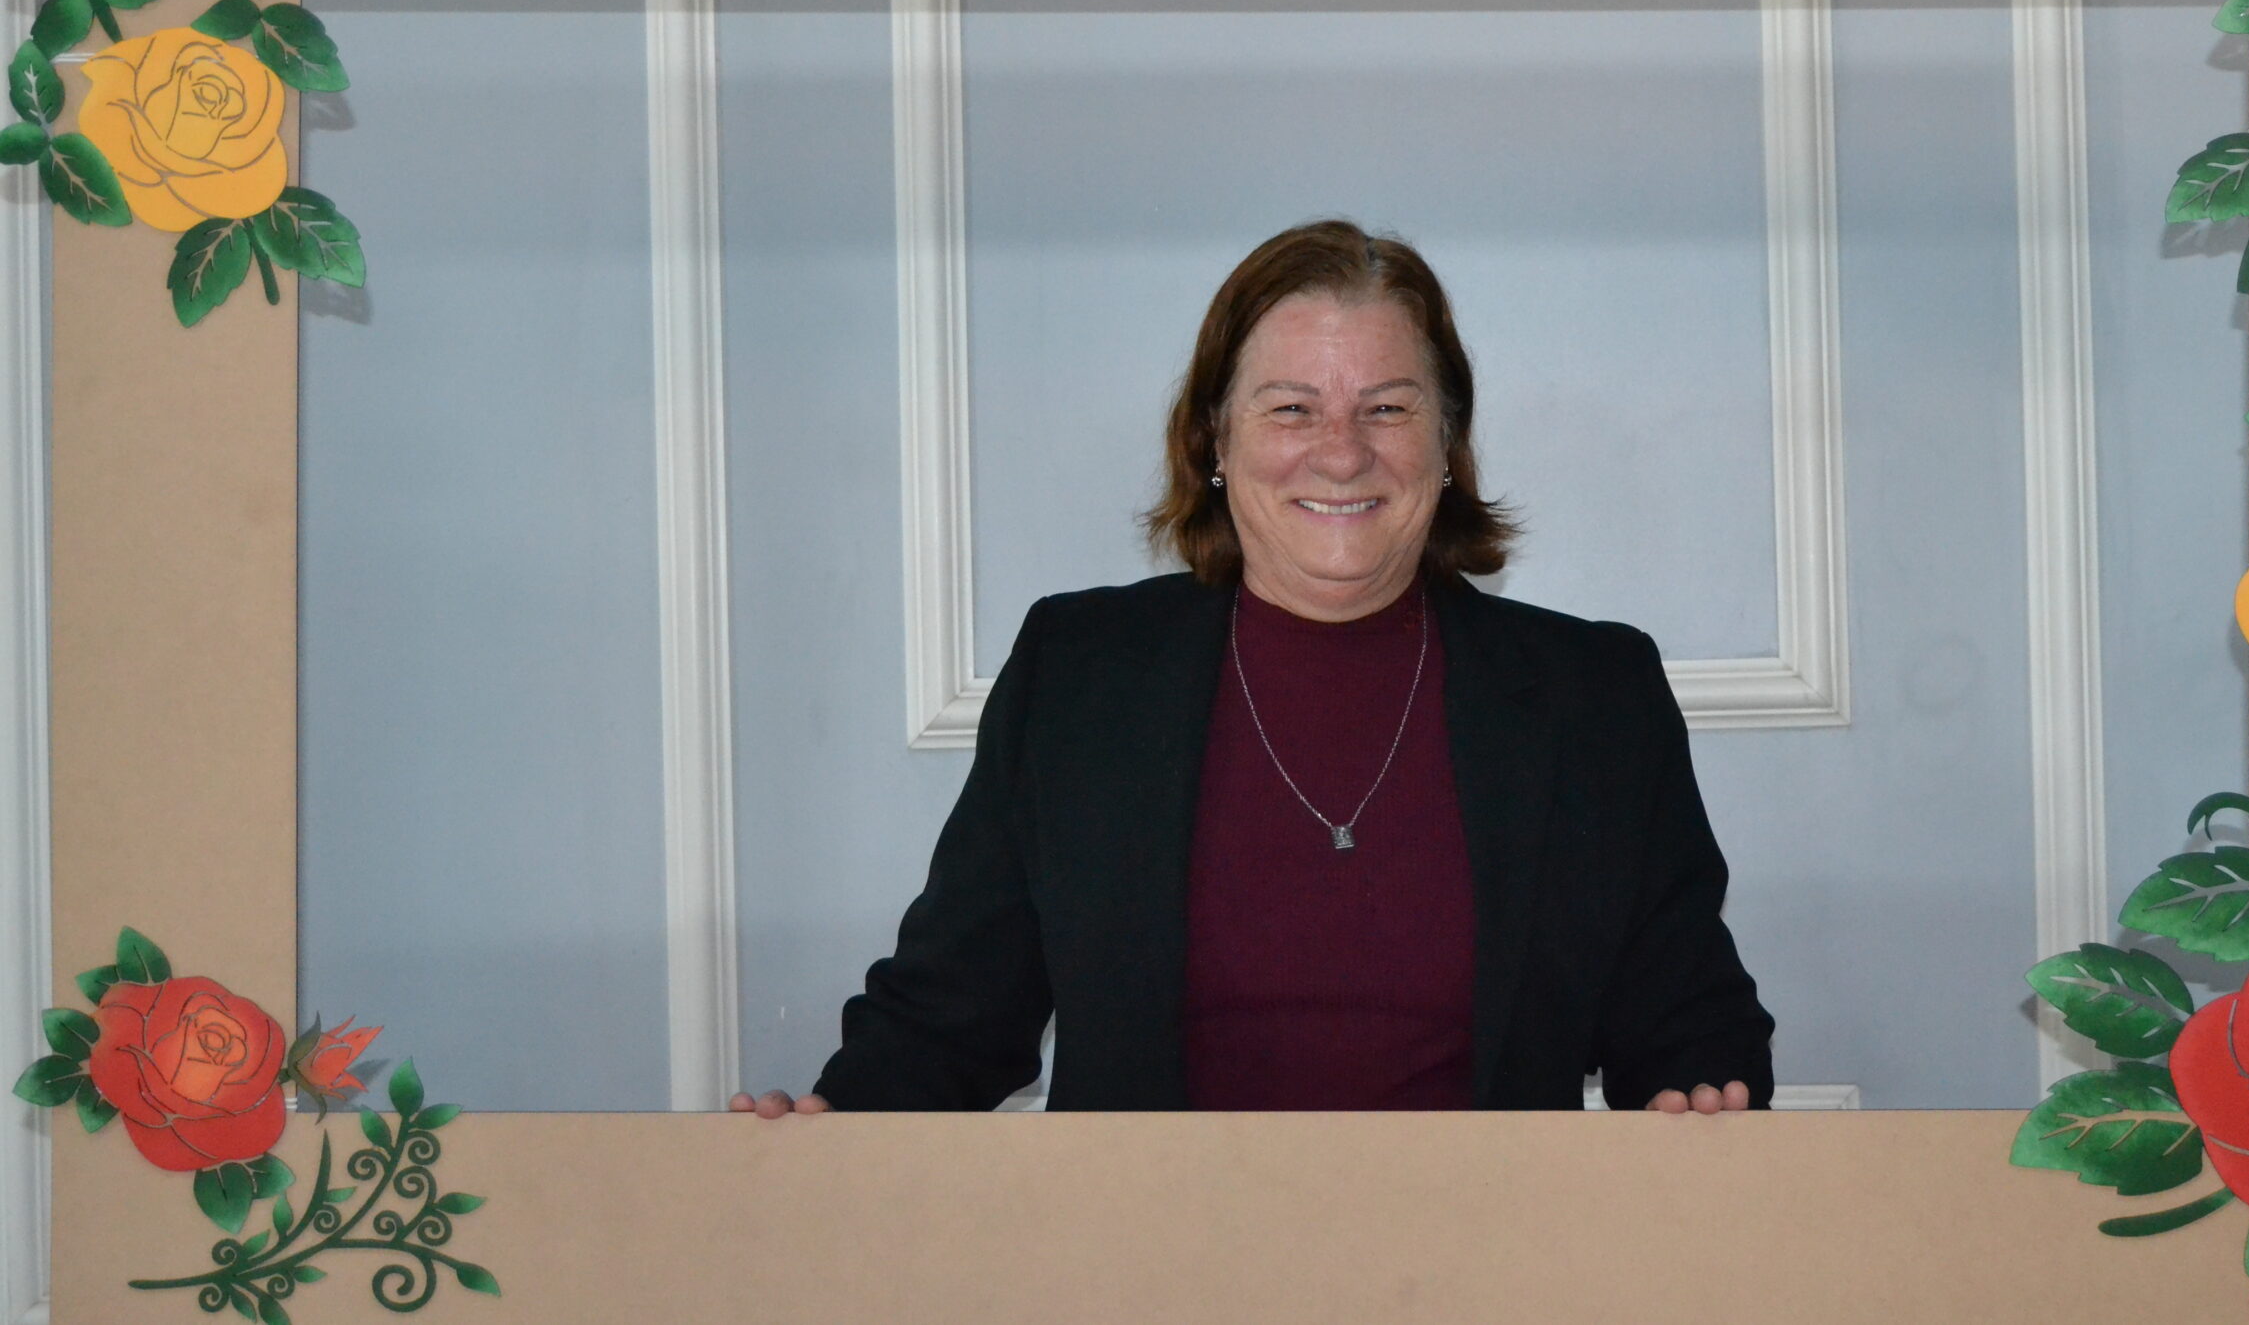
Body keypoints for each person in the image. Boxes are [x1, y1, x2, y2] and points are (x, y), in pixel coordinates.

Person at [732, 219, 1772, 1116]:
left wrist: (1699, 1097)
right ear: (1215, 442)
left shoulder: (1595, 697)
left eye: (1388, 408)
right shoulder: (1078, 678)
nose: (1341, 451)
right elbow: (949, 1018)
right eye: (1290, 408)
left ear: (1448, 444)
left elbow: (1688, 1023)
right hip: (1150, 1260)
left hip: (1490, 1254)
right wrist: (828, 1137)